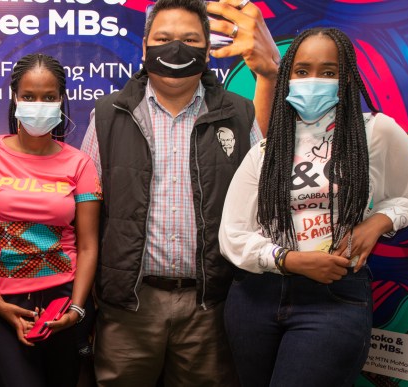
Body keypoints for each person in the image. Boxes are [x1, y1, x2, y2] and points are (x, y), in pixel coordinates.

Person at [80, 0, 280, 385]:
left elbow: (260, 200)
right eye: (164, 38)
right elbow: (88, 211)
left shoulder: (239, 115)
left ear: (207, 50)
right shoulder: (107, 115)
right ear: (144, 48)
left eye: (190, 39)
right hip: (129, 307)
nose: (176, 48)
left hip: (209, 306)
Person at [219, 27, 408, 387]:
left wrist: (377, 223)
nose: (314, 81)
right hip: (255, 299)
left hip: (333, 298)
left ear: (347, 78)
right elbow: (232, 234)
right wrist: (290, 260)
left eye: (328, 72)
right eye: (303, 71)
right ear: (288, 78)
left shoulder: (377, 132)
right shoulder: (266, 149)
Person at [0, 53, 101, 387]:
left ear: (62, 100)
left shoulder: (80, 164)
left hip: (64, 302)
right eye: (29, 96)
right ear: (14, 98)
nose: (39, 104)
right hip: (2, 302)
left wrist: (77, 309)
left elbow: (89, 244)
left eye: (49, 97)